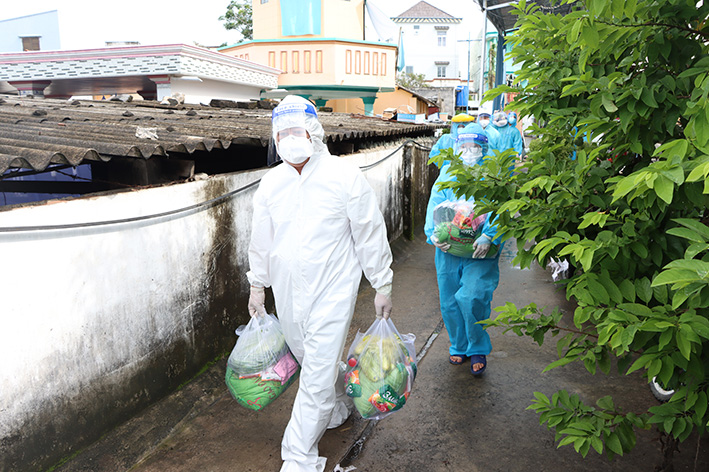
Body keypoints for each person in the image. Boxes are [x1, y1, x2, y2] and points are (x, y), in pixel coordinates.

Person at [246, 95, 394, 472]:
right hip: (287, 291)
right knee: (308, 359)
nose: (289, 139)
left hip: (333, 290)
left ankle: (298, 457)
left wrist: (382, 283)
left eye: (296, 131)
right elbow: (261, 239)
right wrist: (257, 285)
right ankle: (340, 404)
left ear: (314, 132)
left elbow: (369, 232)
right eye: (282, 134)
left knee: (315, 374)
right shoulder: (272, 183)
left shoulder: (343, 177)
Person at [423, 128, 503, 377]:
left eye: (475, 147)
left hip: (481, 248)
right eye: (464, 147)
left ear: (485, 149)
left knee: (472, 296)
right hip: (449, 250)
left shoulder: (493, 174)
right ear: (456, 148)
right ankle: (458, 344)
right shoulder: (448, 172)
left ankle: (477, 346)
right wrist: (433, 233)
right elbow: (435, 204)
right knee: (449, 301)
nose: (469, 152)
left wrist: (491, 235)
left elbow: (501, 207)